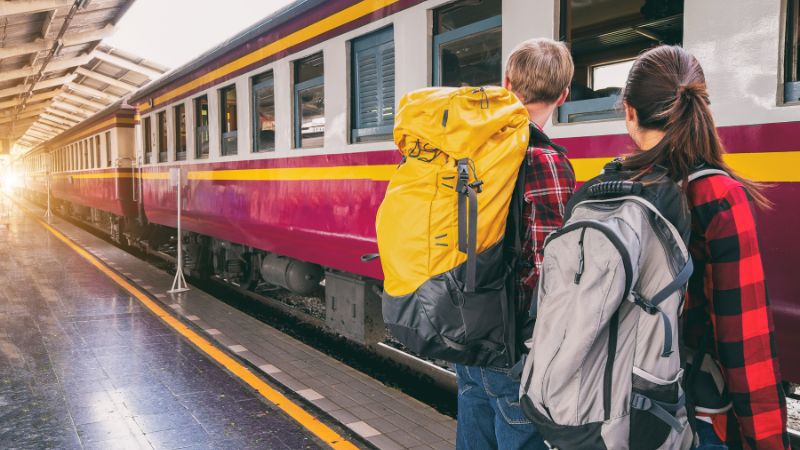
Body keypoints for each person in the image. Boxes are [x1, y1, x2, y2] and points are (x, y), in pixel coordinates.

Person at [620, 45, 789, 449]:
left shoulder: (616, 189)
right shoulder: (717, 195)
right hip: (692, 413)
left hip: (616, 406)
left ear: (629, 112)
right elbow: (744, 338)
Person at [454, 38, 576, 450]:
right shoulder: (545, 159)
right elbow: (550, 266)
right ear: (563, 94)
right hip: (513, 337)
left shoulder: (468, 149)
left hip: (467, 321)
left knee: (473, 419)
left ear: (506, 82)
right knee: (518, 429)